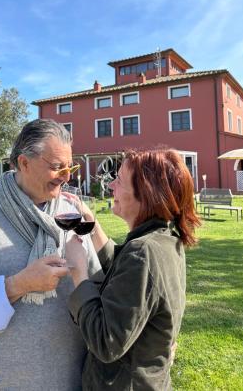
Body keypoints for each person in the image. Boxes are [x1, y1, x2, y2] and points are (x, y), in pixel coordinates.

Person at [0, 119, 102, 391]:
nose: (67, 176)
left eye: (70, 167)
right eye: (57, 167)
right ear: (24, 163)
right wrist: (18, 285)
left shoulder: (72, 212)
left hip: (71, 384)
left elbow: (99, 291)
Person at [66, 148, 201, 390]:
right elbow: (126, 279)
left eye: (119, 180)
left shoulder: (143, 253)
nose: (111, 187)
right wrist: (92, 225)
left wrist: (79, 273)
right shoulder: (165, 241)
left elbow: (106, 342)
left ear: (146, 194)